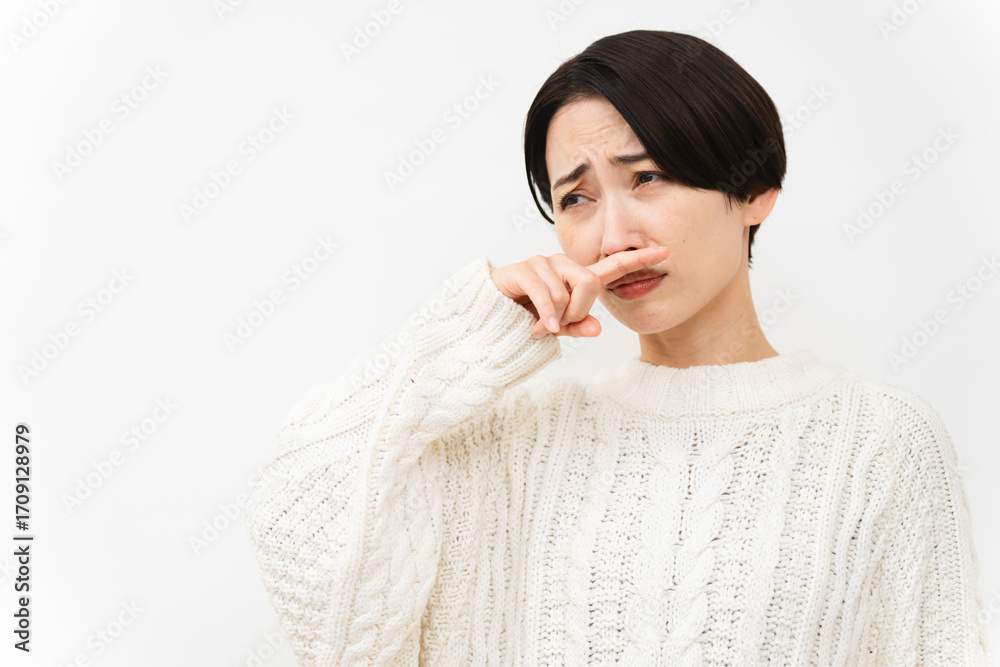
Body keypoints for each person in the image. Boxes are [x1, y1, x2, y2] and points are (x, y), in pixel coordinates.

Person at [244, 29, 994, 665]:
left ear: (756, 188)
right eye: (576, 197)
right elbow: (306, 535)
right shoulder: (510, 440)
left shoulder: (881, 440)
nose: (613, 234)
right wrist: (468, 338)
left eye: (650, 177)